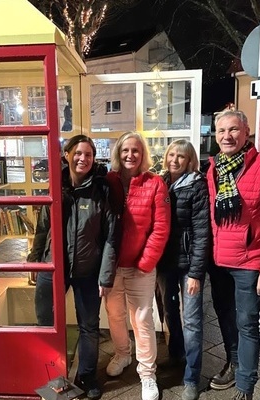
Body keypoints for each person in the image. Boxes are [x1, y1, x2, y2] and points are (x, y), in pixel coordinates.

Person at [205, 109, 260, 400]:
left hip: (249, 263)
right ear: (215, 136)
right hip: (219, 262)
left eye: (233, 130)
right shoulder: (213, 168)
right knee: (226, 319)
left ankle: (245, 385)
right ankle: (234, 364)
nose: (227, 136)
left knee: (248, 323)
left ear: (245, 134)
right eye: (221, 131)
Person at [27, 135, 118, 400]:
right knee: (46, 322)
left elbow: (111, 236)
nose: (83, 158)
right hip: (52, 266)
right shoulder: (55, 185)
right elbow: (43, 227)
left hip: (88, 270)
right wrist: (35, 260)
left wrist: (105, 275)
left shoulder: (101, 190)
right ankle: (50, 374)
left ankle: (86, 376)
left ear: (93, 158)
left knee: (89, 326)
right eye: (78, 153)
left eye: (88, 154)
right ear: (67, 154)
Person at [103, 131, 171, 400]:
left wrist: (146, 262)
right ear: (118, 154)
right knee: (115, 316)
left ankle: (147, 374)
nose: (130, 155)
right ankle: (122, 354)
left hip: (141, 266)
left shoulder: (155, 184)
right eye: (125, 151)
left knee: (142, 319)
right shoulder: (108, 182)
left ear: (142, 154)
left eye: (135, 151)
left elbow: (161, 228)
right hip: (112, 266)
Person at [155, 139, 210, 400]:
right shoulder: (162, 182)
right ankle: (176, 354)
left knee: (192, 321)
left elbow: (202, 232)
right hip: (166, 263)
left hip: (189, 264)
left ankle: (191, 376)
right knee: (168, 312)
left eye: (182, 157)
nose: (175, 160)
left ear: (190, 162)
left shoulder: (197, 185)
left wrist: (197, 273)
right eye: (172, 155)